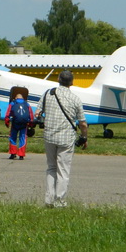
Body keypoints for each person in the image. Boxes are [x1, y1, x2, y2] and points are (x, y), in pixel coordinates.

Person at [35, 70, 88, 208]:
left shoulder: (48, 93)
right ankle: (60, 202)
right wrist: (84, 137)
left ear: (58, 79)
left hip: (49, 136)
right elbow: (82, 123)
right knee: (63, 171)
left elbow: (37, 113)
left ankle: (49, 200)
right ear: (72, 82)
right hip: (66, 139)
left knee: (51, 168)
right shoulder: (75, 99)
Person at [4, 93, 34, 160]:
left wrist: (7, 122)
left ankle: (13, 154)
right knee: (23, 138)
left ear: (16, 97)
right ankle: (21, 155)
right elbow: (31, 115)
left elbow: (8, 113)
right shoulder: (27, 104)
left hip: (15, 123)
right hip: (24, 124)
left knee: (12, 137)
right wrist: (30, 124)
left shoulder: (13, 103)